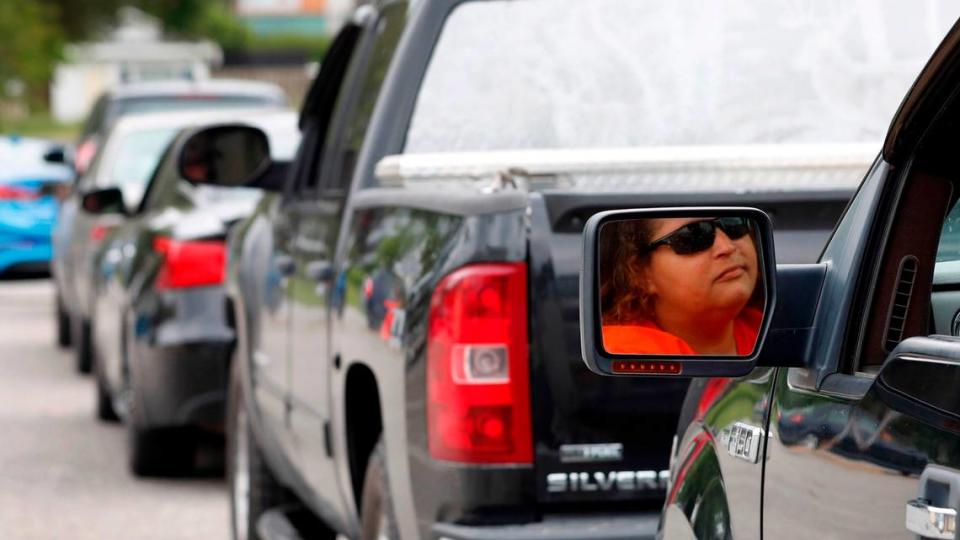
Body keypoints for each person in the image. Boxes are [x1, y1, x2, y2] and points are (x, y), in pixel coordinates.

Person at [600, 217, 763, 356]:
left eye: (734, 223)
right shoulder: (627, 353)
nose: (727, 247)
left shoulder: (771, 330)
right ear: (640, 273)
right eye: (693, 235)